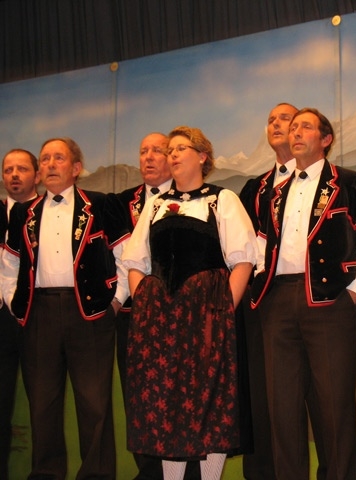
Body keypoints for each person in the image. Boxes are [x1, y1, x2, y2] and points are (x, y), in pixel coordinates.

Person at [251, 108, 356, 479]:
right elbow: (261, 244)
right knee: (282, 407)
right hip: (278, 300)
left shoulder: (350, 182)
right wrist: (263, 284)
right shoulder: (275, 192)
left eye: (305, 127)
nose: (295, 132)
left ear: (326, 139)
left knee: (334, 406)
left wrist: (354, 293)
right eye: (293, 127)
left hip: (330, 301)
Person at [123, 125, 256, 480]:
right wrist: (147, 305)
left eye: (180, 148)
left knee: (210, 404)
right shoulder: (154, 205)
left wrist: (223, 310)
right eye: (170, 150)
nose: (173, 155)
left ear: (202, 156)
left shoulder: (222, 200)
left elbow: (243, 260)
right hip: (162, 322)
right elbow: (135, 261)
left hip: (206, 319)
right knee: (168, 405)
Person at [1, 137, 129, 480]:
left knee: (94, 404)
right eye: (45, 159)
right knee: (42, 403)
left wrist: (115, 301)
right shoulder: (24, 214)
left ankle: (97, 475)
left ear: (76, 168)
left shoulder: (101, 204)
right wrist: (16, 303)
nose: (50, 164)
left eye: (59, 158)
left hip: (89, 314)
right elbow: (9, 263)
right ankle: (46, 473)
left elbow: (126, 255)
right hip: (38, 314)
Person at [238, 103, 326, 480]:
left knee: (324, 397)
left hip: (318, 296)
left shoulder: (328, 182)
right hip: (266, 300)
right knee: (271, 396)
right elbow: (244, 246)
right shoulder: (255, 188)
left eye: (285, 119)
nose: (277, 125)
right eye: (271, 120)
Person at [116, 132, 202, 480]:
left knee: (188, 395)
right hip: (140, 316)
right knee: (144, 398)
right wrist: (144, 303)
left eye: (158, 150)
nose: (149, 157)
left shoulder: (203, 200)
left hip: (188, 316)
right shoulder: (121, 203)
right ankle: (150, 472)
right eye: (143, 151)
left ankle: (191, 472)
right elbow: (127, 261)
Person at [0, 148, 39, 480]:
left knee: (43, 403)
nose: (14, 175)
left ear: (36, 175)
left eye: (22, 169)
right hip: (2, 321)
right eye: (8, 169)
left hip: (38, 318)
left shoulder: (47, 213)